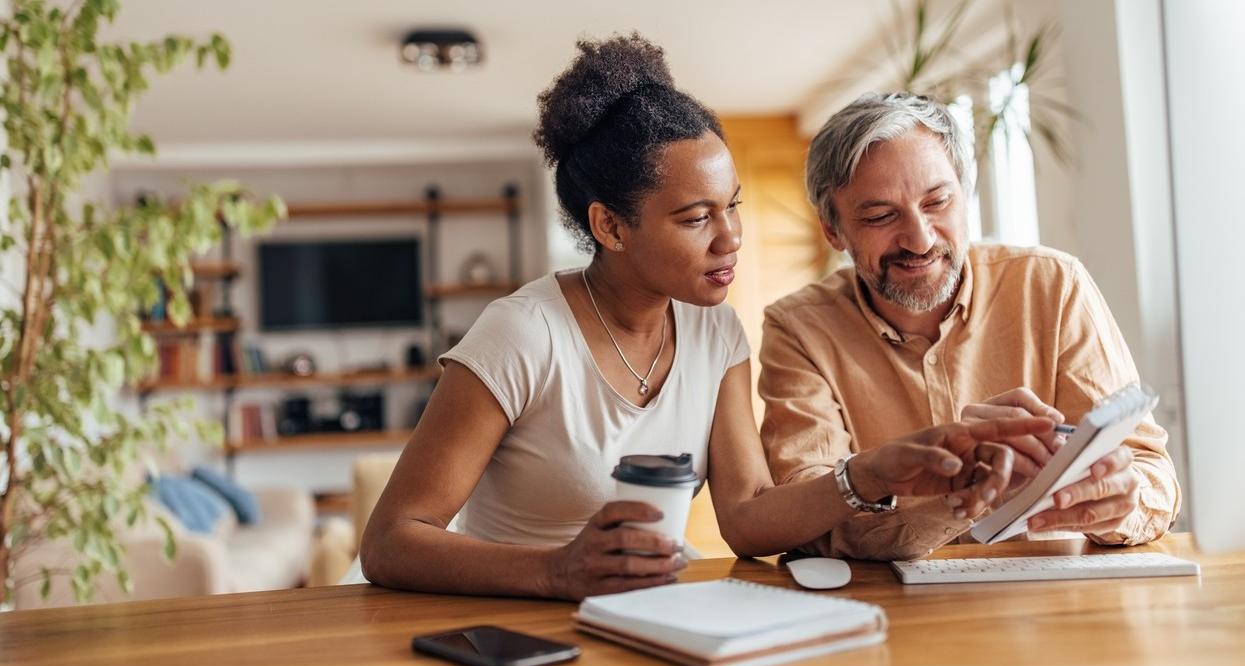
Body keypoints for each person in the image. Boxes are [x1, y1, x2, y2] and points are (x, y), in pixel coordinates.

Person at [360, 37, 1052, 600]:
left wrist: (869, 474)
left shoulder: (713, 330)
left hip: (658, 607)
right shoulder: (520, 334)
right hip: (520, 621)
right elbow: (391, 539)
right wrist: (555, 571)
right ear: (610, 225)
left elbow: (747, 514)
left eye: (733, 206)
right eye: (695, 218)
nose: (730, 238)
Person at [758, 92, 1181, 561]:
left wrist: (1121, 502)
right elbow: (810, 516)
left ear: (965, 194)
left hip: (1059, 600)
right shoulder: (798, 328)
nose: (919, 239)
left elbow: (1152, 474)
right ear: (834, 230)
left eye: (937, 201)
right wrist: (966, 498)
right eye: (880, 216)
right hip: (900, 617)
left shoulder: (1052, 284)